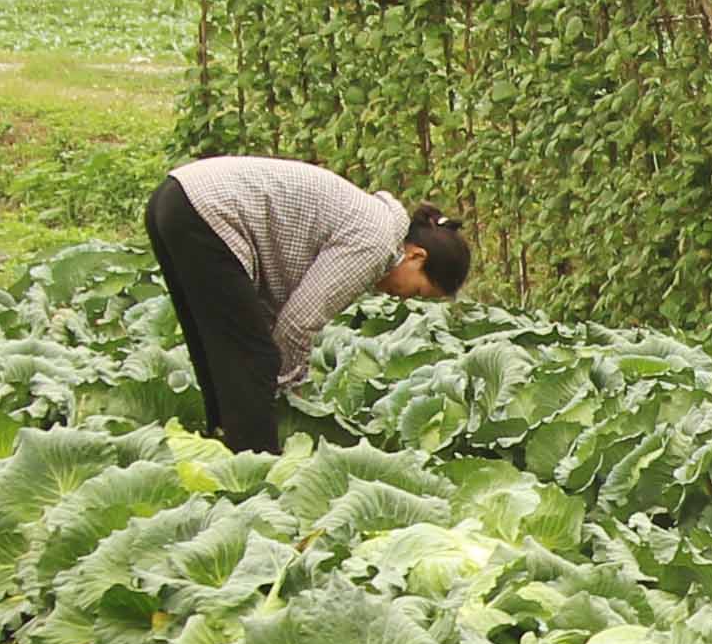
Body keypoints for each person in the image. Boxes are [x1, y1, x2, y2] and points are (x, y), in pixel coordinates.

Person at [147, 154, 472, 455]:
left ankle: (222, 444)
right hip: (206, 211)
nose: (403, 298)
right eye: (416, 291)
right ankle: (254, 483)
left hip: (176, 197)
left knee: (217, 348)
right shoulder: (376, 244)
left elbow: (275, 310)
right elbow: (296, 326)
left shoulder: (372, 222)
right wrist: (290, 400)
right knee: (257, 360)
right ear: (416, 256)